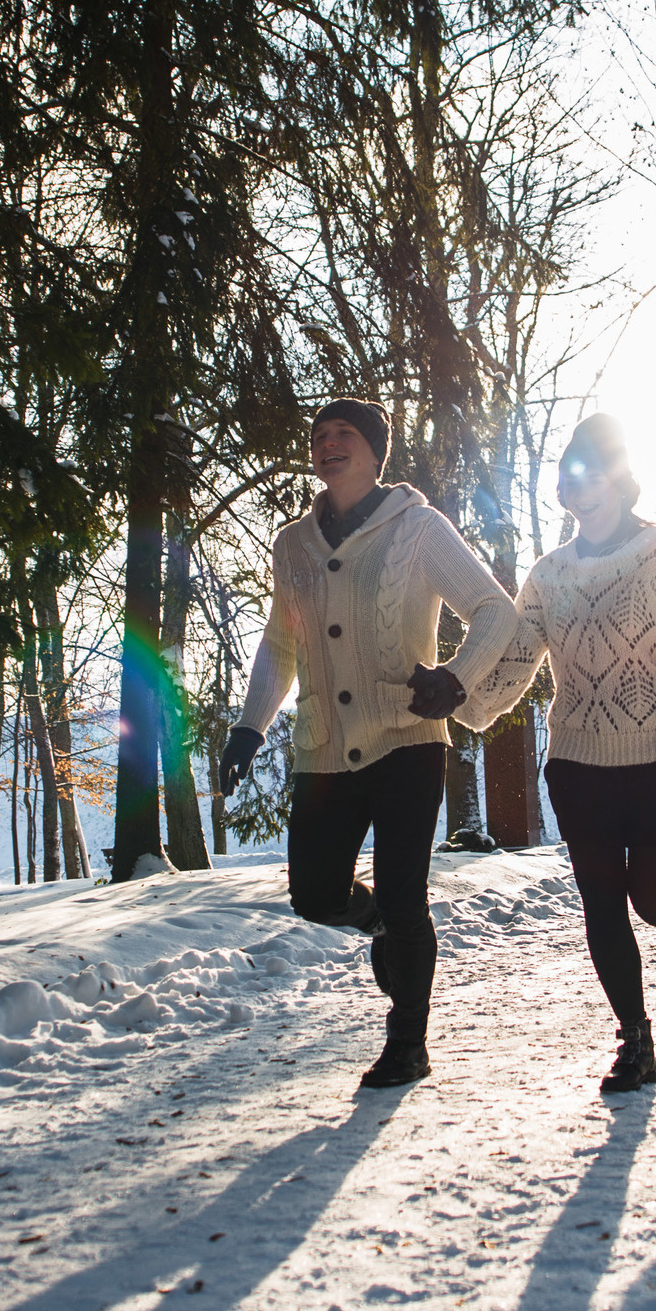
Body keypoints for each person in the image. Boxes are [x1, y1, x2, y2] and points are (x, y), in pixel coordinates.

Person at [457, 413, 656, 1095]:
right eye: (570, 474)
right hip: (583, 760)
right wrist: (462, 701)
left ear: (620, 480)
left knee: (655, 901)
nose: (581, 487)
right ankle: (635, 1040)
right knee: (602, 903)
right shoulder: (548, 576)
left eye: (594, 472)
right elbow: (518, 658)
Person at [219, 398, 519, 1090]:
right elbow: (281, 643)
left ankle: (407, 1040)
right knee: (315, 895)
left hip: (408, 738)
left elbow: (495, 610)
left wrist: (457, 679)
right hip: (324, 746)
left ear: (376, 449)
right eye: (319, 435)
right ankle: (385, 926)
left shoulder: (417, 527)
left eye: (344, 434)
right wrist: (248, 726)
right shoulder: (291, 543)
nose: (328, 444)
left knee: (407, 894)